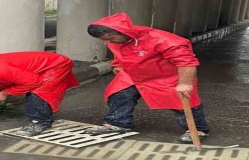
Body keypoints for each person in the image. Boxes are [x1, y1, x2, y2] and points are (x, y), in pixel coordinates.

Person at [83, 13, 210, 143]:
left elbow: (186, 62)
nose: (107, 42)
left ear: (123, 32)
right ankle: (118, 123)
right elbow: (119, 54)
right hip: (133, 74)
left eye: (110, 38)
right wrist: (117, 65)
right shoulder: (115, 39)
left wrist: (185, 83)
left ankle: (198, 129)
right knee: (119, 94)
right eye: (103, 40)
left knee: (182, 100)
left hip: (166, 76)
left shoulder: (164, 40)